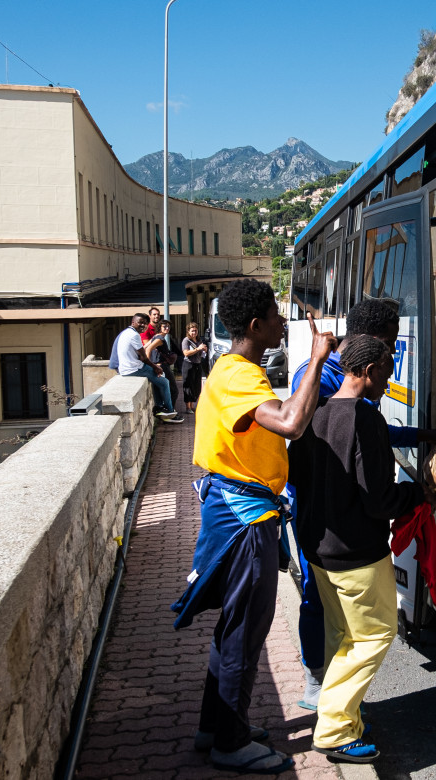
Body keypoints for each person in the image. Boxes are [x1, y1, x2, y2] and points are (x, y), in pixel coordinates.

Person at [170, 279, 336, 774]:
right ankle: (231, 740)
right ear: (254, 326)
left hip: (236, 509)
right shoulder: (239, 375)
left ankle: (214, 725)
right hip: (246, 520)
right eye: (275, 315)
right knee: (245, 631)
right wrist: (321, 357)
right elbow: (289, 422)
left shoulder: (231, 370)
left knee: (233, 627)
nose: (283, 323)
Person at [287, 299, 436, 714]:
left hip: (344, 507)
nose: (393, 361)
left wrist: (425, 435)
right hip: (323, 509)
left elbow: (368, 434)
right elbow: (324, 438)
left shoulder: (355, 383)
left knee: (344, 616)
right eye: (390, 348)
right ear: (371, 349)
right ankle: (316, 681)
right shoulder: (316, 380)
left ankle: (338, 697)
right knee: (317, 597)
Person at [112, 312, 179, 422]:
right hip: (134, 369)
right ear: (133, 322)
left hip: (126, 368)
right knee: (164, 382)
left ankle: (160, 407)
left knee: (158, 380)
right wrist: (155, 367)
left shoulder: (126, 333)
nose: (143, 325)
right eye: (140, 323)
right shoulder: (135, 335)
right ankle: (169, 411)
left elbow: (143, 348)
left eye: (145, 323)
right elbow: (144, 356)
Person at [145, 320, 180, 412]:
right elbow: (148, 349)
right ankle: (170, 412)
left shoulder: (155, 337)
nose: (167, 328)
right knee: (174, 390)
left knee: (161, 390)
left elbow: (144, 347)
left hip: (157, 367)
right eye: (164, 326)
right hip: (162, 367)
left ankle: (165, 411)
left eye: (168, 326)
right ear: (159, 327)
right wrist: (148, 365)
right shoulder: (159, 338)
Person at [180, 321, 207, 413]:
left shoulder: (199, 340)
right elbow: (186, 353)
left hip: (197, 364)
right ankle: (188, 407)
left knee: (196, 386)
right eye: (192, 331)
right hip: (188, 365)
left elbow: (201, 353)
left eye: (195, 331)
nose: (194, 333)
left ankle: (192, 406)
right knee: (188, 386)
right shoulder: (186, 340)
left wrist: (204, 350)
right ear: (188, 331)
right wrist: (198, 349)